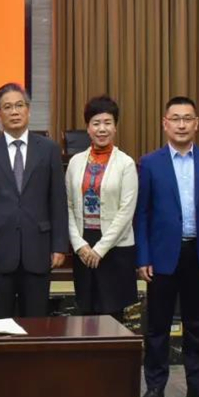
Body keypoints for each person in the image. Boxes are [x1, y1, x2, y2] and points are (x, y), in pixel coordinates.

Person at [137, 96, 199, 397]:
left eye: (187, 118)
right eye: (175, 118)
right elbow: (142, 215)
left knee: (197, 323)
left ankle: (198, 385)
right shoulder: (150, 163)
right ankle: (155, 386)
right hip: (162, 256)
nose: (181, 124)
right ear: (164, 124)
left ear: (196, 124)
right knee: (157, 326)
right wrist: (143, 257)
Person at [0, 82, 67, 318]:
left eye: (19, 105)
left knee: (36, 321)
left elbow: (57, 200)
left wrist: (59, 245)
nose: (14, 112)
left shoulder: (49, 149)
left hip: (38, 248)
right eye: (7, 107)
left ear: (28, 110)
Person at [65, 96, 138, 322]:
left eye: (108, 122)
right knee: (86, 314)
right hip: (84, 245)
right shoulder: (75, 162)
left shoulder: (126, 163)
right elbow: (67, 206)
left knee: (113, 316)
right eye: (96, 123)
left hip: (115, 247)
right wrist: (79, 245)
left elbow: (126, 212)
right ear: (88, 128)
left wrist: (100, 250)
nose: (102, 129)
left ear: (115, 127)